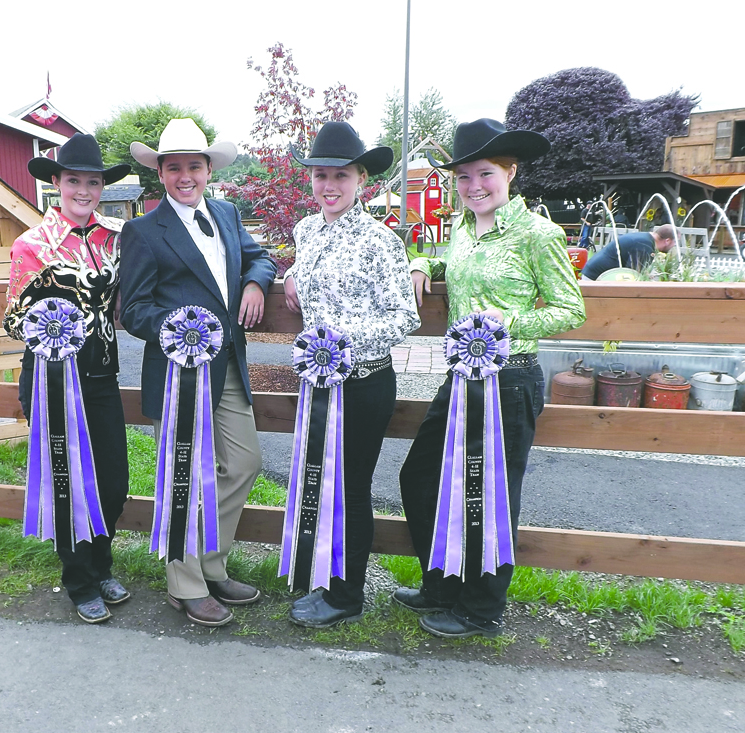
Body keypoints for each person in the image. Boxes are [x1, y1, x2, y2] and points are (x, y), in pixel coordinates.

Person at [393, 119, 586, 638]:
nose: (474, 186)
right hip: (459, 377)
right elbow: (453, 267)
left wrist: (508, 323)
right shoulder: (459, 227)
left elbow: (570, 308)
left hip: (509, 378)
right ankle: (442, 584)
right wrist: (419, 263)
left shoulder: (538, 234)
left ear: (510, 171)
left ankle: (481, 608)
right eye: (464, 177)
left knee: (490, 494)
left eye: (485, 174)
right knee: (422, 476)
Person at [119, 118, 277, 628]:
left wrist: (254, 284)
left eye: (193, 165)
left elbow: (260, 258)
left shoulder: (228, 214)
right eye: (173, 168)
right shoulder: (142, 230)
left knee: (245, 462)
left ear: (209, 169)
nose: (184, 176)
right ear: (159, 174)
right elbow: (134, 308)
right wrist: (182, 327)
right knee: (187, 473)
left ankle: (211, 561)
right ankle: (184, 584)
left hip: (227, 364)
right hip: (178, 372)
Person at [282, 122, 420, 628]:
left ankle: (346, 595)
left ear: (362, 178)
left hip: (361, 382)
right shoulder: (307, 229)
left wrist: (339, 341)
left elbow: (403, 316)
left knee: (350, 487)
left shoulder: (380, 241)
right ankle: (322, 574)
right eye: (320, 175)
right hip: (318, 384)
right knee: (320, 483)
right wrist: (291, 275)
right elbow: (306, 271)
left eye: (340, 175)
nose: (329, 185)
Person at [3, 133, 132, 624]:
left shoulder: (114, 237)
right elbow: (14, 319)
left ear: (102, 187)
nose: (83, 189)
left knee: (113, 483)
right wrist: (56, 328)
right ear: (56, 183)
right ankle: (79, 580)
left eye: (92, 182)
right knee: (69, 483)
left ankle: (101, 565)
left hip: (100, 376)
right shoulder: (31, 245)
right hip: (52, 379)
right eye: (73, 180)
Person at [580, 225, 677, 280]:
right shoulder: (645, 246)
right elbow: (633, 275)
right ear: (667, 240)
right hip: (595, 279)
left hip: (595, 274)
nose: (675, 245)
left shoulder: (645, 239)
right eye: (675, 242)